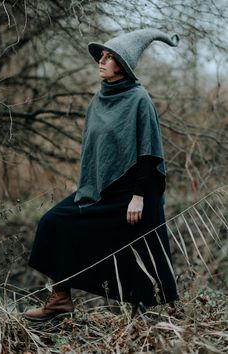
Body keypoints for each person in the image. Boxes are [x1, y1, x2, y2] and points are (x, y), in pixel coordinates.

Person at [24, 29, 180, 321]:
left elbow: (148, 152)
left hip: (133, 193)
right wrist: (89, 184)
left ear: (123, 64)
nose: (102, 61)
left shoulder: (139, 99)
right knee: (53, 222)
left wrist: (138, 196)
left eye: (109, 57)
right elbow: (95, 151)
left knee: (142, 252)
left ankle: (153, 310)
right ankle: (60, 297)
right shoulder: (99, 99)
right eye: (102, 56)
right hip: (101, 190)